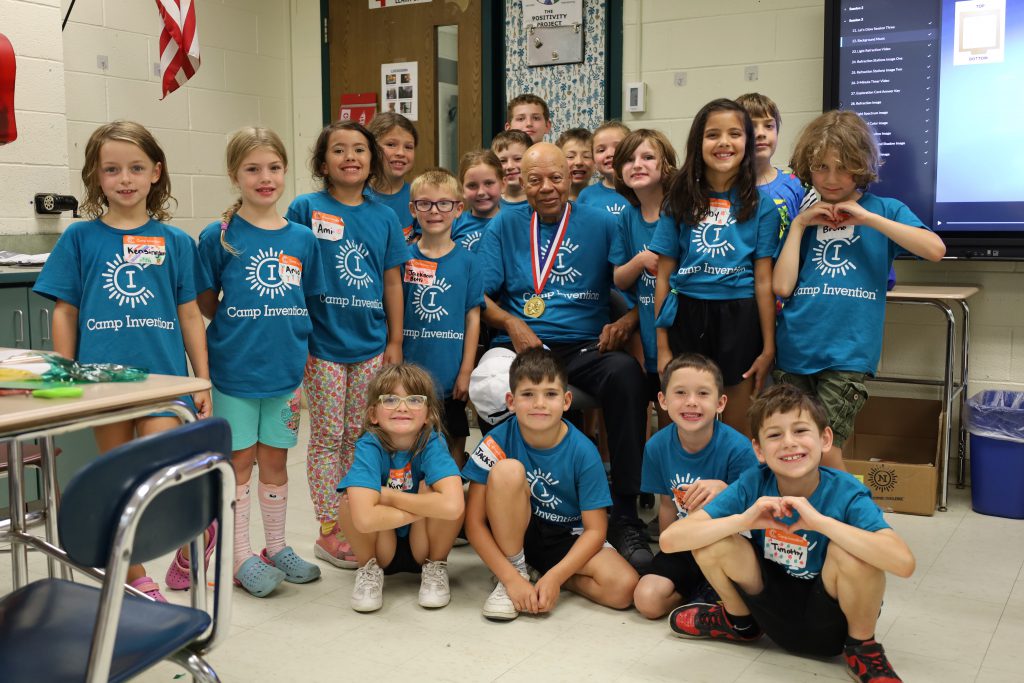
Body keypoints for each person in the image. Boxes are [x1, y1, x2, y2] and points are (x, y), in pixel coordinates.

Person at [33, 120, 211, 602]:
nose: (125, 179)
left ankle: (187, 538)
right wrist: (64, 372)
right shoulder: (79, 239)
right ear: (96, 176)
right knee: (118, 480)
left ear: (156, 172)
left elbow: (191, 314)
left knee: (152, 477)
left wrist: (202, 380)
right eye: (112, 169)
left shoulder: (176, 242)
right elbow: (65, 311)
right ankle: (135, 577)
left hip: (163, 384)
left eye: (136, 168)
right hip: (102, 384)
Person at [661, 384, 915, 683]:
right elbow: (669, 541)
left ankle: (863, 650)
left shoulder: (846, 492)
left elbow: (903, 563)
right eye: (774, 435)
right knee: (712, 539)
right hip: (770, 610)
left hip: (831, 624)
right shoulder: (754, 482)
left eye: (800, 431)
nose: (789, 443)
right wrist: (745, 520)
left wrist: (820, 523)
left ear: (825, 439)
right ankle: (738, 623)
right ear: (759, 449)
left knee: (855, 552)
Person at [477, 142, 652, 572]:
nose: (547, 187)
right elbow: (477, 295)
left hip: (585, 345)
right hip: (524, 344)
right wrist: (512, 324)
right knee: (488, 387)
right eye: (534, 180)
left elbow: (634, 288)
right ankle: (516, 499)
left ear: (572, 177)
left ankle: (625, 513)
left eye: (555, 177)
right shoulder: (504, 225)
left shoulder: (599, 223)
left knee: (628, 376)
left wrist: (628, 321)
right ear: (521, 181)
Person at [773, 110, 945, 468]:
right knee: (793, 447)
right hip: (795, 350)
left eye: (844, 167)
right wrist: (801, 224)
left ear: (862, 166)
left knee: (825, 446)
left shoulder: (886, 209)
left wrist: (867, 217)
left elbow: (934, 250)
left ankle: (838, 520)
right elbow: (782, 285)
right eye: (821, 167)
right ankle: (803, 520)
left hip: (848, 354)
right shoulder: (804, 216)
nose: (832, 179)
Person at [196, 126, 327, 597]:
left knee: (275, 460)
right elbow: (207, 300)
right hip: (233, 370)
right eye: (253, 169)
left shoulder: (302, 239)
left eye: (273, 168)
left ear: (286, 171)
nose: (265, 177)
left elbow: (306, 299)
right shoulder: (219, 236)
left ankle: (275, 547)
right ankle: (238, 557)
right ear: (235, 175)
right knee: (240, 463)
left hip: (285, 371)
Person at [286, 120, 410, 569]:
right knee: (327, 436)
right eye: (339, 150)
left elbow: (392, 280)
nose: (351, 157)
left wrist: (394, 339)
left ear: (372, 160)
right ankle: (327, 529)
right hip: (321, 344)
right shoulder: (305, 208)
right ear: (323, 163)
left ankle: (355, 517)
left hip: (371, 345)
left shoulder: (384, 217)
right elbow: (289, 270)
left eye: (360, 149)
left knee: (359, 437)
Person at [462, 348, 639, 620]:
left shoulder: (584, 451)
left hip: (566, 536)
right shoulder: (495, 442)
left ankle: (541, 576)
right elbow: (473, 523)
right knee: (507, 471)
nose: (539, 403)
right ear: (511, 401)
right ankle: (516, 570)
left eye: (550, 394)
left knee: (623, 588)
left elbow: (595, 530)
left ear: (567, 400)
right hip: (516, 534)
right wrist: (510, 578)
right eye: (528, 394)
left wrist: (556, 577)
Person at [651, 98, 780, 437]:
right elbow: (663, 276)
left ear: (748, 143)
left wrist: (768, 347)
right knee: (681, 421)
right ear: (698, 143)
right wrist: (662, 347)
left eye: (735, 134)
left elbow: (764, 282)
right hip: (686, 314)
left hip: (740, 317)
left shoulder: (761, 206)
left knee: (739, 425)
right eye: (713, 135)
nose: (724, 142)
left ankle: (736, 490)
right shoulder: (677, 199)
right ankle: (675, 489)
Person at [632, 354, 757, 619]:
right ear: (663, 401)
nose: (691, 402)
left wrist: (726, 490)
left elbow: (756, 516)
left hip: (727, 546)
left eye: (702, 393)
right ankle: (700, 592)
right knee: (647, 600)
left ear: (720, 403)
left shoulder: (739, 449)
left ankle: (715, 590)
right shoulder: (656, 446)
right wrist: (670, 552)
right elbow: (667, 504)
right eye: (680, 393)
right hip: (687, 543)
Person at [337, 364, 465, 612]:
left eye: (415, 400)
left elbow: (453, 506)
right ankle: (369, 570)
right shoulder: (369, 444)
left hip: (424, 545)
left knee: (432, 489)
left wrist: (387, 494)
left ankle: (436, 567)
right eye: (391, 399)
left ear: (428, 414)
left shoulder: (432, 441)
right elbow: (363, 519)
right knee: (351, 499)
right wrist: (424, 508)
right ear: (373, 414)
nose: (403, 407)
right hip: (381, 544)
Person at [401, 168, 483, 463]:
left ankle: (451, 502)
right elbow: (395, 311)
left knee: (452, 447)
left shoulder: (470, 262)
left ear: (458, 208)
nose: (434, 211)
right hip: (410, 376)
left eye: (443, 203)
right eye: (425, 204)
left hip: (450, 376)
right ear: (413, 209)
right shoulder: (403, 257)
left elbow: (473, 317)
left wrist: (466, 371)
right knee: (410, 445)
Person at [612, 128, 678, 395]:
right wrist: (641, 260)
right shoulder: (627, 218)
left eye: (648, 157)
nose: (637, 165)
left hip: (679, 332)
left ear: (666, 166)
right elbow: (620, 280)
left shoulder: (679, 212)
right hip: (647, 332)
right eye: (628, 159)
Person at [735, 92, 804, 232]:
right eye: (751, 126)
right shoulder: (722, 187)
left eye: (769, 126)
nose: (761, 133)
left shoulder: (797, 185)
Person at [367, 113, 418, 241]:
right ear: (371, 148)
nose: (400, 153)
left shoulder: (419, 197)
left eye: (408, 147)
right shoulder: (355, 195)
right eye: (391, 145)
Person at [450, 149, 503, 254]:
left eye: (488, 183)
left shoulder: (513, 223)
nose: (481, 192)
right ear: (462, 190)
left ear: (503, 185)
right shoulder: (453, 223)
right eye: (472, 185)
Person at [577, 121, 631, 215]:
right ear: (593, 158)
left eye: (617, 147)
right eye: (601, 150)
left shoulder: (642, 192)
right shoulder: (586, 195)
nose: (610, 154)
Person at [491, 129, 533, 212]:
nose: (510, 166)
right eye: (502, 161)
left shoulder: (540, 202)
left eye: (518, 159)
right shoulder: (490, 203)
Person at [556, 127, 595, 200]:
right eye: (570, 156)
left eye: (586, 156)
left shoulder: (600, 203)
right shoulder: (550, 203)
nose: (579, 162)